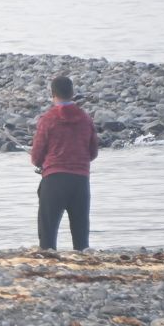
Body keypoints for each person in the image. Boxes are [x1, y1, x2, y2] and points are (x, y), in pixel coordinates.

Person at [31, 74, 100, 251]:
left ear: (53, 94)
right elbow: (93, 152)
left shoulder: (48, 119)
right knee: (81, 240)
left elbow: (36, 155)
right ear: (72, 93)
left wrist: (42, 162)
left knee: (47, 238)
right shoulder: (85, 119)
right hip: (80, 181)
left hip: (54, 180)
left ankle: (49, 269)